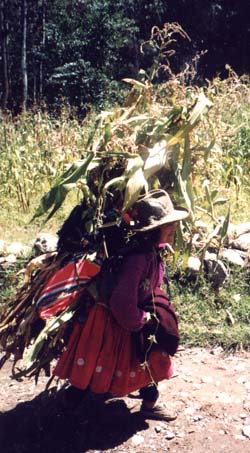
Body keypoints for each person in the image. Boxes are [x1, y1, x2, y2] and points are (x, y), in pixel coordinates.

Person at [53, 189, 189, 421]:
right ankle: (67, 408)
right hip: (113, 320)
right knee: (103, 365)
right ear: (154, 230)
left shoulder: (154, 252)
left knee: (146, 362)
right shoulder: (138, 259)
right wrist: (140, 319)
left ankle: (147, 403)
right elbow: (121, 299)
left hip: (131, 313)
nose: (173, 229)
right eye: (169, 225)